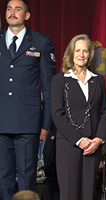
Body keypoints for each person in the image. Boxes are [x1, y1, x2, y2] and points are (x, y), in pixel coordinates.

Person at [0, 0, 56, 199]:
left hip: (28, 123)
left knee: (26, 181)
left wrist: (46, 123)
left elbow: (49, 87)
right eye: (8, 8)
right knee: (3, 180)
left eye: (17, 9)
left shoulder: (41, 42)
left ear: (27, 15)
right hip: (1, 120)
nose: (12, 12)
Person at [51, 34, 106, 200]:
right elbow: (57, 114)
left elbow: (104, 111)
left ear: (90, 54)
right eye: (78, 50)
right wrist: (79, 140)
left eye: (85, 51)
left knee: (88, 194)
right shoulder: (59, 80)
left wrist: (98, 139)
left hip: (93, 146)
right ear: (71, 53)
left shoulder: (98, 81)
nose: (81, 54)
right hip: (69, 145)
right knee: (70, 194)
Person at [35, 124, 59, 200]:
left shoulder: (55, 134)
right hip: (23, 175)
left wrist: (41, 172)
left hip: (48, 177)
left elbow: (57, 163)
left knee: (42, 189)